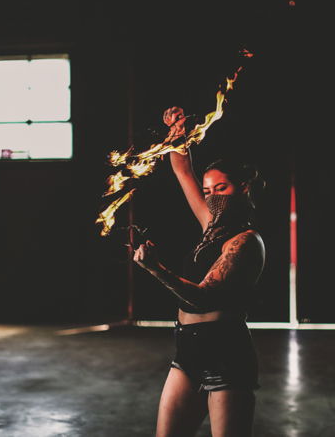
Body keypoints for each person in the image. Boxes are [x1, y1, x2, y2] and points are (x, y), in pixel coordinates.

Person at [132, 106, 266, 437]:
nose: (212, 198)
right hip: (187, 349)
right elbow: (182, 169)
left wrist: (156, 270)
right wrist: (178, 132)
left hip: (226, 354)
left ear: (244, 188)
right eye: (208, 191)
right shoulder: (211, 226)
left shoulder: (246, 242)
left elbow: (204, 298)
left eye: (221, 189)